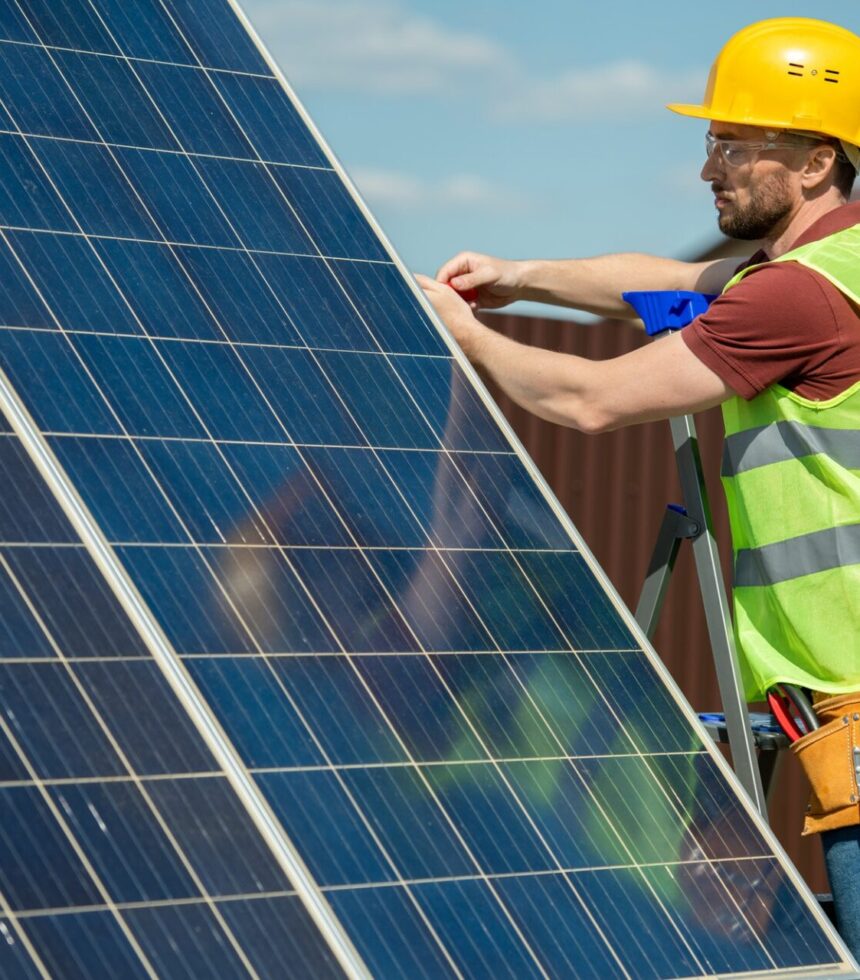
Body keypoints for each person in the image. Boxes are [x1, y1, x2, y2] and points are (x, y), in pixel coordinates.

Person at [417, 16, 860, 957]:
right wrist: (519, 278)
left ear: (817, 162)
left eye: (736, 144)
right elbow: (657, 284)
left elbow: (586, 400)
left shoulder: (793, 297)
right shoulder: (813, 273)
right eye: (712, 143)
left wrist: (463, 333)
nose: (710, 170)